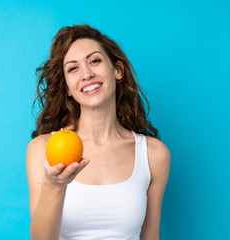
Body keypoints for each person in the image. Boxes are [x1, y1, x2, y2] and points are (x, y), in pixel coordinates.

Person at [26, 24, 170, 240]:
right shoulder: (42, 149)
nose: (86, 74)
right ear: (67, 87)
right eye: (73, 68)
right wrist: (54, 184)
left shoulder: (154, 154)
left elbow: (150, 237)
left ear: (117, 70)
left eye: (94, 61)